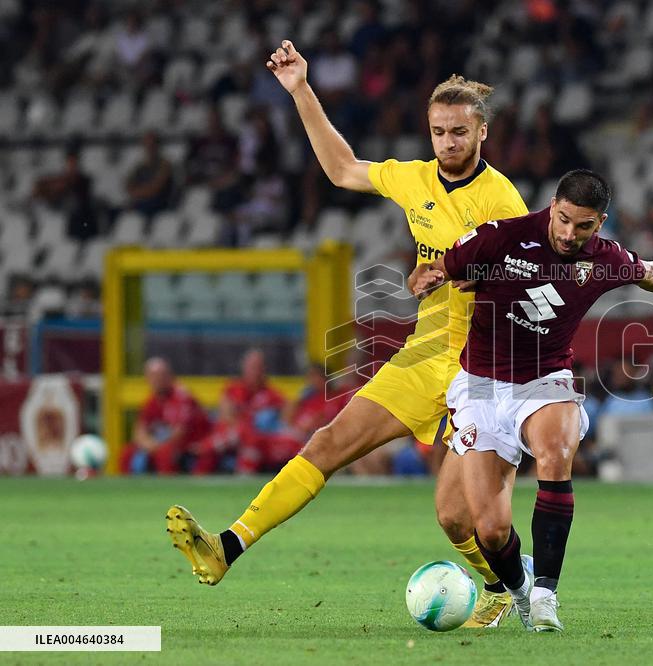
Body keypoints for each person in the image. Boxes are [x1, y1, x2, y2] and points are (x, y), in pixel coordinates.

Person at [166, 39, 528, 629]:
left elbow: (521, 279)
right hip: (427, 356)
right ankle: (228, 546)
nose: (447, 142)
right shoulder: (414, 179)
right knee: (327, 443)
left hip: (486, 369)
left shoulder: (503, 199)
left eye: (459, 132)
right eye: (438, 131)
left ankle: (512, 583)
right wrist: (301, 90)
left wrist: (456, 272)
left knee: (457, 520)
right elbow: (341, 169)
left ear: (482, 132)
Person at [408, 170, 653, 630]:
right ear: (552, 206)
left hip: (546, 378)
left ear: (600, 223)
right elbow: (444, 268)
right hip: (480, 385)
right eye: (562, 220)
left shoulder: (603, 259)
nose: (568, 234)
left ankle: (545, 597)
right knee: (491, 530)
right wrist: (430, 276)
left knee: (554, 456)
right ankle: (519, 590)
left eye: (583, 226)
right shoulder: (504, 236)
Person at [191, 349, 287, 475]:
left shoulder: (272, 395)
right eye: (252, 367)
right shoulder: (232, 389)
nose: (255, 372)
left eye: (259, 367)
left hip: (257, 440)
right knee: (238, 433)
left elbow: (286, 418)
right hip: (231, 435)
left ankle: (208, 449)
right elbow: (225, 416)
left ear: (264, 370)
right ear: (244, 368)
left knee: (251, 439)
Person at [119, 358, 211, 474]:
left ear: (169, 376)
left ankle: (168, 490)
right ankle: (130, 490)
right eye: (151, 376)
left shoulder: (181, 397)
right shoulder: (152, 401)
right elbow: (139, 431)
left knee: (165, 453)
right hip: (159, 444)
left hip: (191, 446)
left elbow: (179, 432)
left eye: (160, 375)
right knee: (128, 453)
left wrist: (155, 446)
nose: (155, 380)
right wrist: (149, 444)